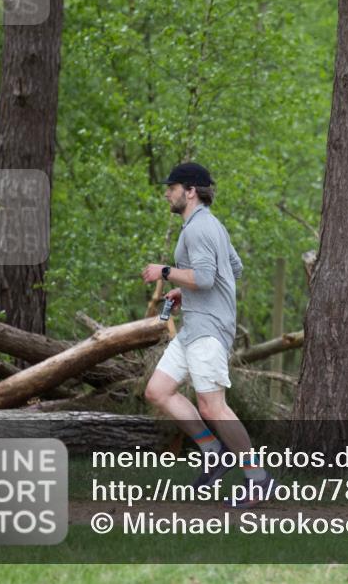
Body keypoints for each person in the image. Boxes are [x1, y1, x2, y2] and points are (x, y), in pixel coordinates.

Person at [141, 162, 273, 508]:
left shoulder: (198, 229)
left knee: (213, 406)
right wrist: (186, 292)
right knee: (158, 391)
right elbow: (233, 269)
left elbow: (205, 277)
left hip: (209, 330)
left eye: (172, 187)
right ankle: (214, 452)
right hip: (194, 328)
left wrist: (165, 272)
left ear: (190, 192)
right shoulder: (210, 225)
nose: (167, 193)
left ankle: (259, 479)